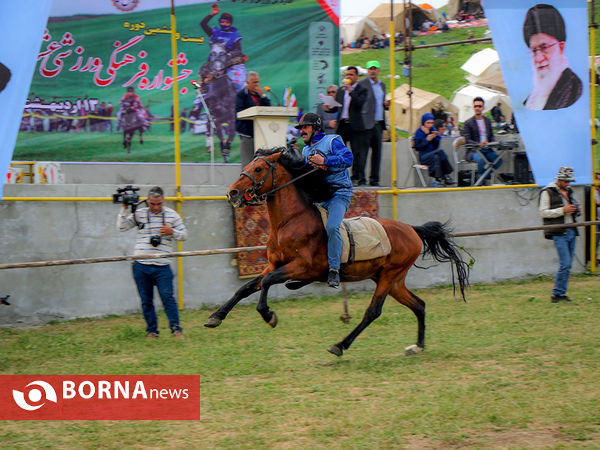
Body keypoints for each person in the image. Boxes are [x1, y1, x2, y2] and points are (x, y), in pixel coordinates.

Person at [117, 186, 187, 338]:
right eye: (152, 204)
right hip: (140, 265)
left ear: (164, 201)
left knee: (168, 298)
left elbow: (184, 235)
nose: (156, 207)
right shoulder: (139, 213)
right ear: (148, 201)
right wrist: (124, 210)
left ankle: (176, 329)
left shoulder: (172, 215)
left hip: (162, 265)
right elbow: (121, 227)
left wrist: (172, 232)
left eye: (159, 204)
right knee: (146, 300)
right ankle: (152, 331)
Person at [296, 112, 353, 288]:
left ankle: (334, 270)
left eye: (305, 127)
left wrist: (325, 160)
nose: (302, 131)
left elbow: (349, 158)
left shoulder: (332, 140)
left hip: (339, 194)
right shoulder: (305, 151)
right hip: (319, 197)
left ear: (315, 128)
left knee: (332, 227)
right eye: (300, 128)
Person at [523, 4, 582, 110]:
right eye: (534, 50)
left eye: (544, 47)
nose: (539, 58)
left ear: (561, 47)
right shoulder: (532, 97)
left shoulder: (573, 89)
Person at [539, 167, 580, 303]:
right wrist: (563, 210)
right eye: (566, 181)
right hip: (559, 232)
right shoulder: (547, 192)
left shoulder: (569, 191)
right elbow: (543, 212)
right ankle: (557, 294)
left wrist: (575, 209)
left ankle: (561, 293)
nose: (568, 184)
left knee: (568, 265)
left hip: (571, 230)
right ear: (560, 179)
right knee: (565, 264)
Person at [328, 66, 370, 186]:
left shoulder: (362, 89)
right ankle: (340, 177)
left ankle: (356, 177)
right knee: (339, 152)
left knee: (356, 153)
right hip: (342, 124)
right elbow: (338, 107)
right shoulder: (341, 90)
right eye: (347, 75)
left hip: (355, 126)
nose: (348, 77)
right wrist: (329, 108)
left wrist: (351, 91)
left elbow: (359, 103)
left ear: (356, 76)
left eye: (351, 75)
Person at [199, 3, 246, 91]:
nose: (224, 24)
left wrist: (228, 55)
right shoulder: (215, 33)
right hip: (213, 62)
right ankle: (201, 99)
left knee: (237, 83)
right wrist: (212, 14)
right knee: (202, 75)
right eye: (222, 22)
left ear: (230, 23)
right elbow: (203, 24)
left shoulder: (235, 36)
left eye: (226, 22)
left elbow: (238, 51)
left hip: (228, 62)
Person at [358, 60, 389, 187]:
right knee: (363, 153)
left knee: (377, 154)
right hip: (366, 124)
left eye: (375, 68)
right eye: (370, 68)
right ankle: (361, 179)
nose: (372, 71)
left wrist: (385, 105)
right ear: (367, 70)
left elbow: (380, 102)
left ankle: (374, 179)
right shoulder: (362, 84)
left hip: (378, 123)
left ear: (378, 70)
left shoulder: (382, 85)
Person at [462, 97, 502, 183]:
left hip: (487, 149)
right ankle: (482, 179)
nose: (477, 108)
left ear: (483, 108)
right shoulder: (468, 123)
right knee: (481, 160)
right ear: (473, 107)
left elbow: (491, 136)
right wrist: (479, 144)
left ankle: (481, 177)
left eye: (480, 106)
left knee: (498, 161)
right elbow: (468, 140)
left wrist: (494, 142)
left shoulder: (488, 121)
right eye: (476, 106)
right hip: (474, 150)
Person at [235, 71, 271, 167]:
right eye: (254, 82)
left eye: (257, 82)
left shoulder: (259, 95)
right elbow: (240, 111)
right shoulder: (241, 95)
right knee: (248, 164)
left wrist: (263, 96)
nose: (257, 84)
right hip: (247, 134)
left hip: (260, 133)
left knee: (260, 164)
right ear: (247, 83)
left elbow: (268, 109)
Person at [413, 113, 454, 186]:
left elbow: (437, 144)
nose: (430, 125)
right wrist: (427, 140)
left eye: (431, 123)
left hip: (434, 154)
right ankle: (446, 175)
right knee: (440, 153)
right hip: (424, 156)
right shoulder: (419, 132)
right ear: (423, 122)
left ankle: (439, 178)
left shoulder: (433, 130)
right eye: (428, 123)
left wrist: (432, 137)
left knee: (437, 156)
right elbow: (417, 147)